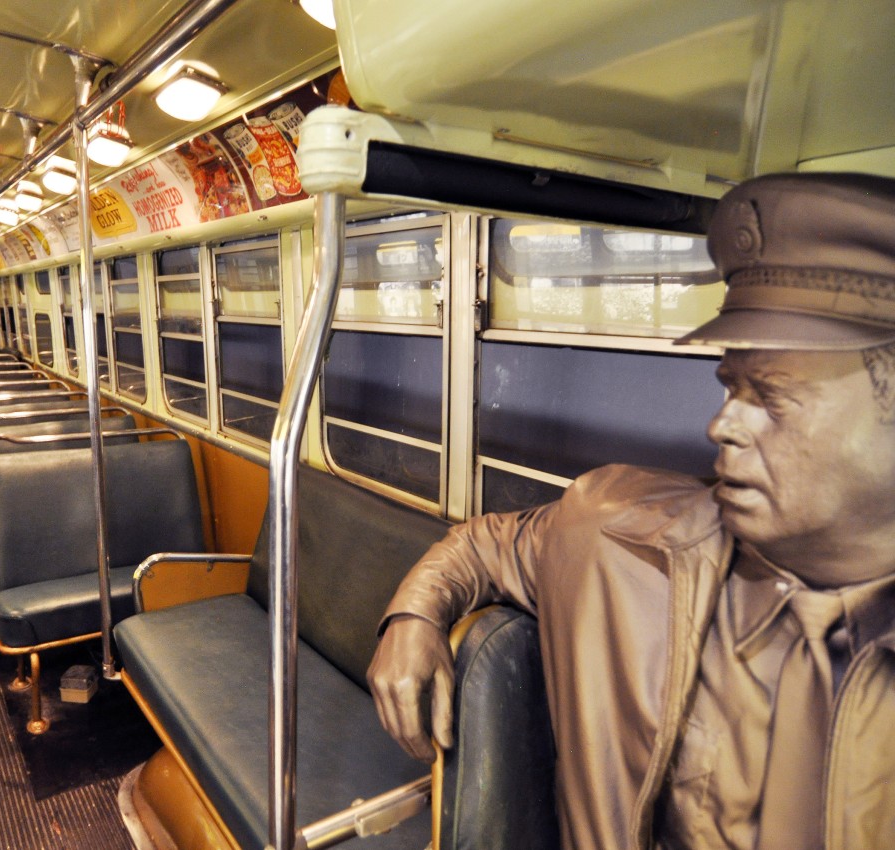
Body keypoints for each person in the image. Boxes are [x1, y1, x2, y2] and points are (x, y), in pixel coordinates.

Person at [367, 172, 895, 850]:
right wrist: (414, 615)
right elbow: (485, 545)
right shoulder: (618, 535)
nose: (722, 426)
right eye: (731, 388)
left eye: (773, 398)